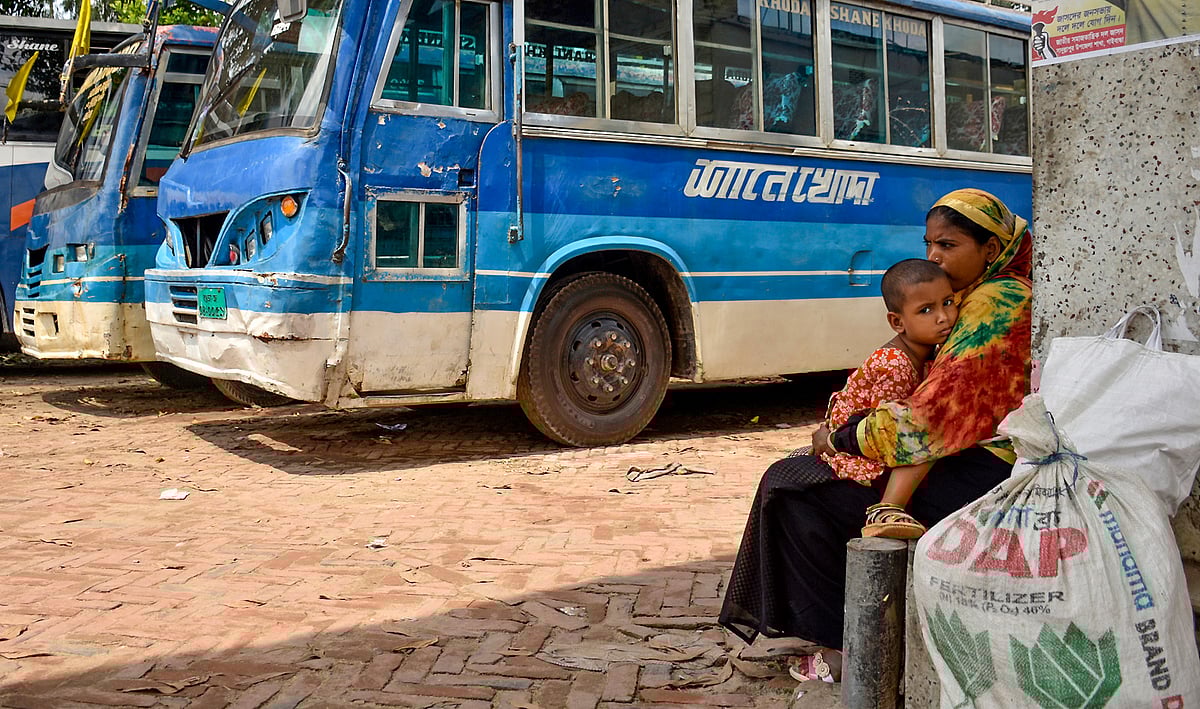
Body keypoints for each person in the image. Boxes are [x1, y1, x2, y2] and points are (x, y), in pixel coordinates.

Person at [718, 188, 1032, 683]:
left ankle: (849, 646)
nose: (933, 257)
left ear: (990, 251)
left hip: (986, 468)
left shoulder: (999, 303)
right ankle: (848, 632)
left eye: (947, 246)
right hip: (953, 450)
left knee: (793, 491)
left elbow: (934, 415)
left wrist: (845, 438)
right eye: (929, 244)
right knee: (796, 478)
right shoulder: (973, 295)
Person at [816, 259, 959, 539]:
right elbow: (886, 431)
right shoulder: (897, 366)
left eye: (949, 302)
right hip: (855, 451)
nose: (943, 317)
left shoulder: (927, 355)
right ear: (897, 322)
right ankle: (887, 509)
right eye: (926, 310)